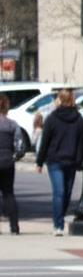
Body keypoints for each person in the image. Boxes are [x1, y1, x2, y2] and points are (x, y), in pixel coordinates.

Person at [34, 88, 82, 236]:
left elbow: (45, 141)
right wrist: (79, 160)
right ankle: (59, 221)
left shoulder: (52, 118)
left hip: (55, 159)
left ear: (59, 100)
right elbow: (81, 142)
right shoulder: (78, 118)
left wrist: (39, 161)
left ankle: (58, 224)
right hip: (70, 159)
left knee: (60, 193)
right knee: (65, 193)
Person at [0, 95, 20, 235]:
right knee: (8, 194)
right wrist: (14, 157)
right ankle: (14, 226)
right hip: (7, 162)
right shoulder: (12, 124)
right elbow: (20, 147)